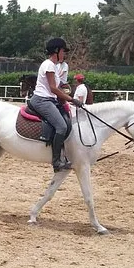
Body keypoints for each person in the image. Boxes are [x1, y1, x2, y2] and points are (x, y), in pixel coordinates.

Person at [28, 37, 83, 172]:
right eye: (63, 51)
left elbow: (58, 86)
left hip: (49, 100)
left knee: (66, 120)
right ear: (56, 51)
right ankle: (56, 161)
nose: (64, 54)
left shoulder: (54, 66)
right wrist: (71, 99)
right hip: (42, 100)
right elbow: (53, 88)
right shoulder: (48, 65)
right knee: (62, 126)